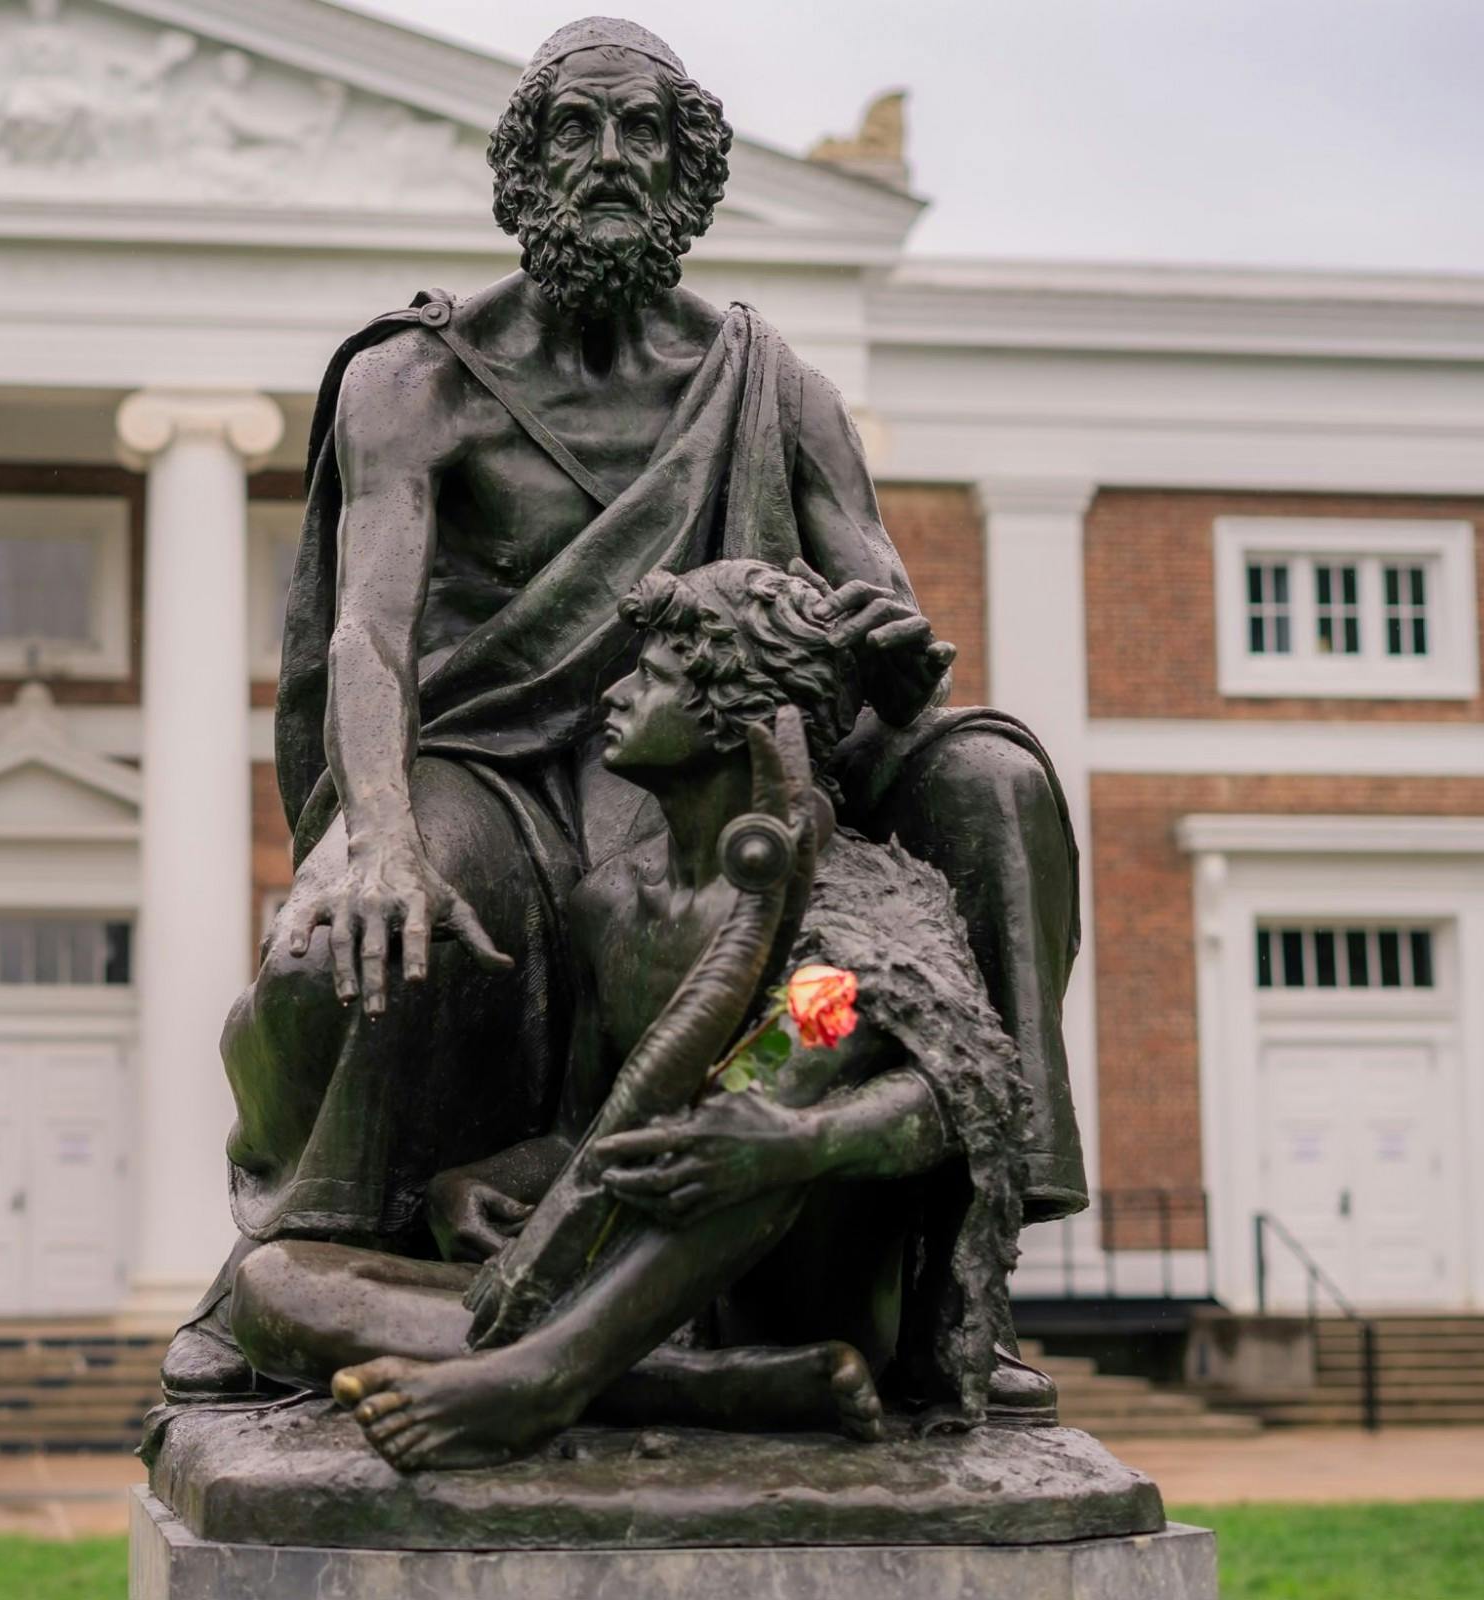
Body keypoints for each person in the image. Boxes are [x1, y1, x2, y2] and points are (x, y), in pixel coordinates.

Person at [160, 18, 1083, 1412]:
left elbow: (874, 610)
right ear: (521, 167)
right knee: (378, 923)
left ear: (688, 170)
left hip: (704, 759)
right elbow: (369, 632)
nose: (608, 158)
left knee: (991, 779)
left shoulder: (775, 385)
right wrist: (381, 838)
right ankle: (321, 1224)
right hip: (485, 756)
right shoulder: (414, 379)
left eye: (641, 131)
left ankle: (964, 1274)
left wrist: (891, 662)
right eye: (574, 129)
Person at [222, 561, 1033, 1470]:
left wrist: (801, 1144)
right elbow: (586, 1133)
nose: (612, 694)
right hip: (613, 1279)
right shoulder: (610, 905)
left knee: (765, 1087)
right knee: (278, 1287)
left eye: (649, 677)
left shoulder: (851, 910)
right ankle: (714, 1388)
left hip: (781, 1287)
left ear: (734, 715)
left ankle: (548, 1380)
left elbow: (952, 1095)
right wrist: (474, 1182)